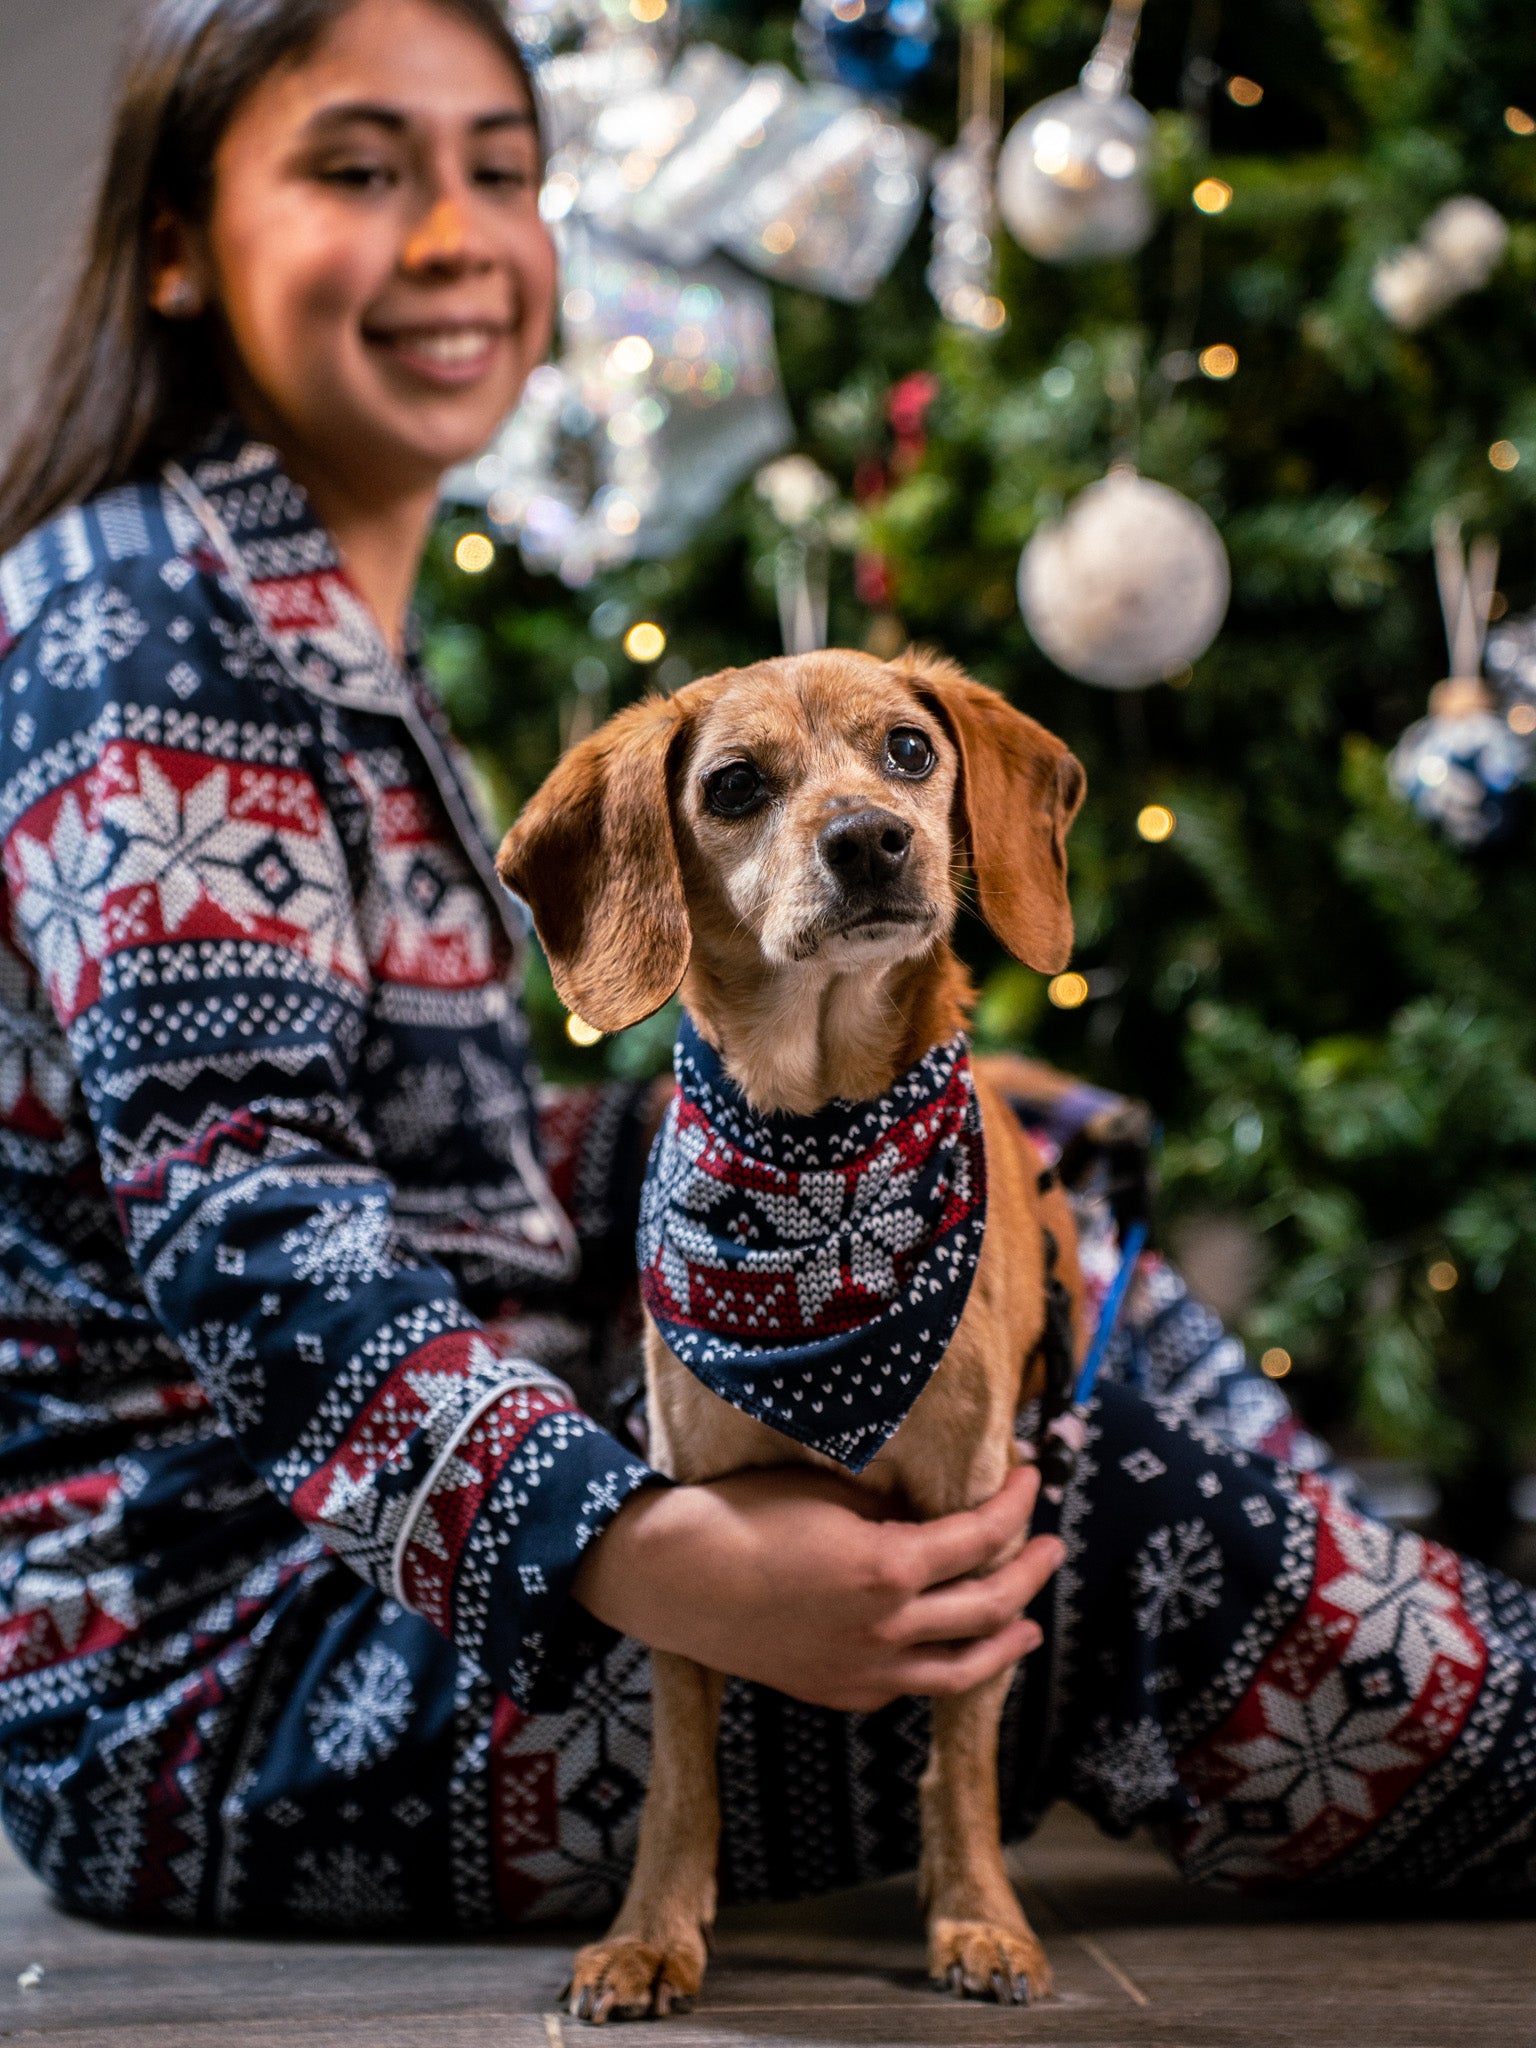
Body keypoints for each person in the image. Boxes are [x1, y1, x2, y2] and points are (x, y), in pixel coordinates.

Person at [0, 0, 1532, 1939]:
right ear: (172, 243)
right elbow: (240, 1216)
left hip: (365, 1577)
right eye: (360, 169)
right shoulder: (157, 640)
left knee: (1041, 1285)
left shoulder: (293, 621)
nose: (457, 233)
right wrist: (639, 1546)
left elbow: (428, 1155)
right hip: (223, 1674)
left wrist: (842, 1126)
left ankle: (1433, 1664)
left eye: (501, 168)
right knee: (1102, 1527)